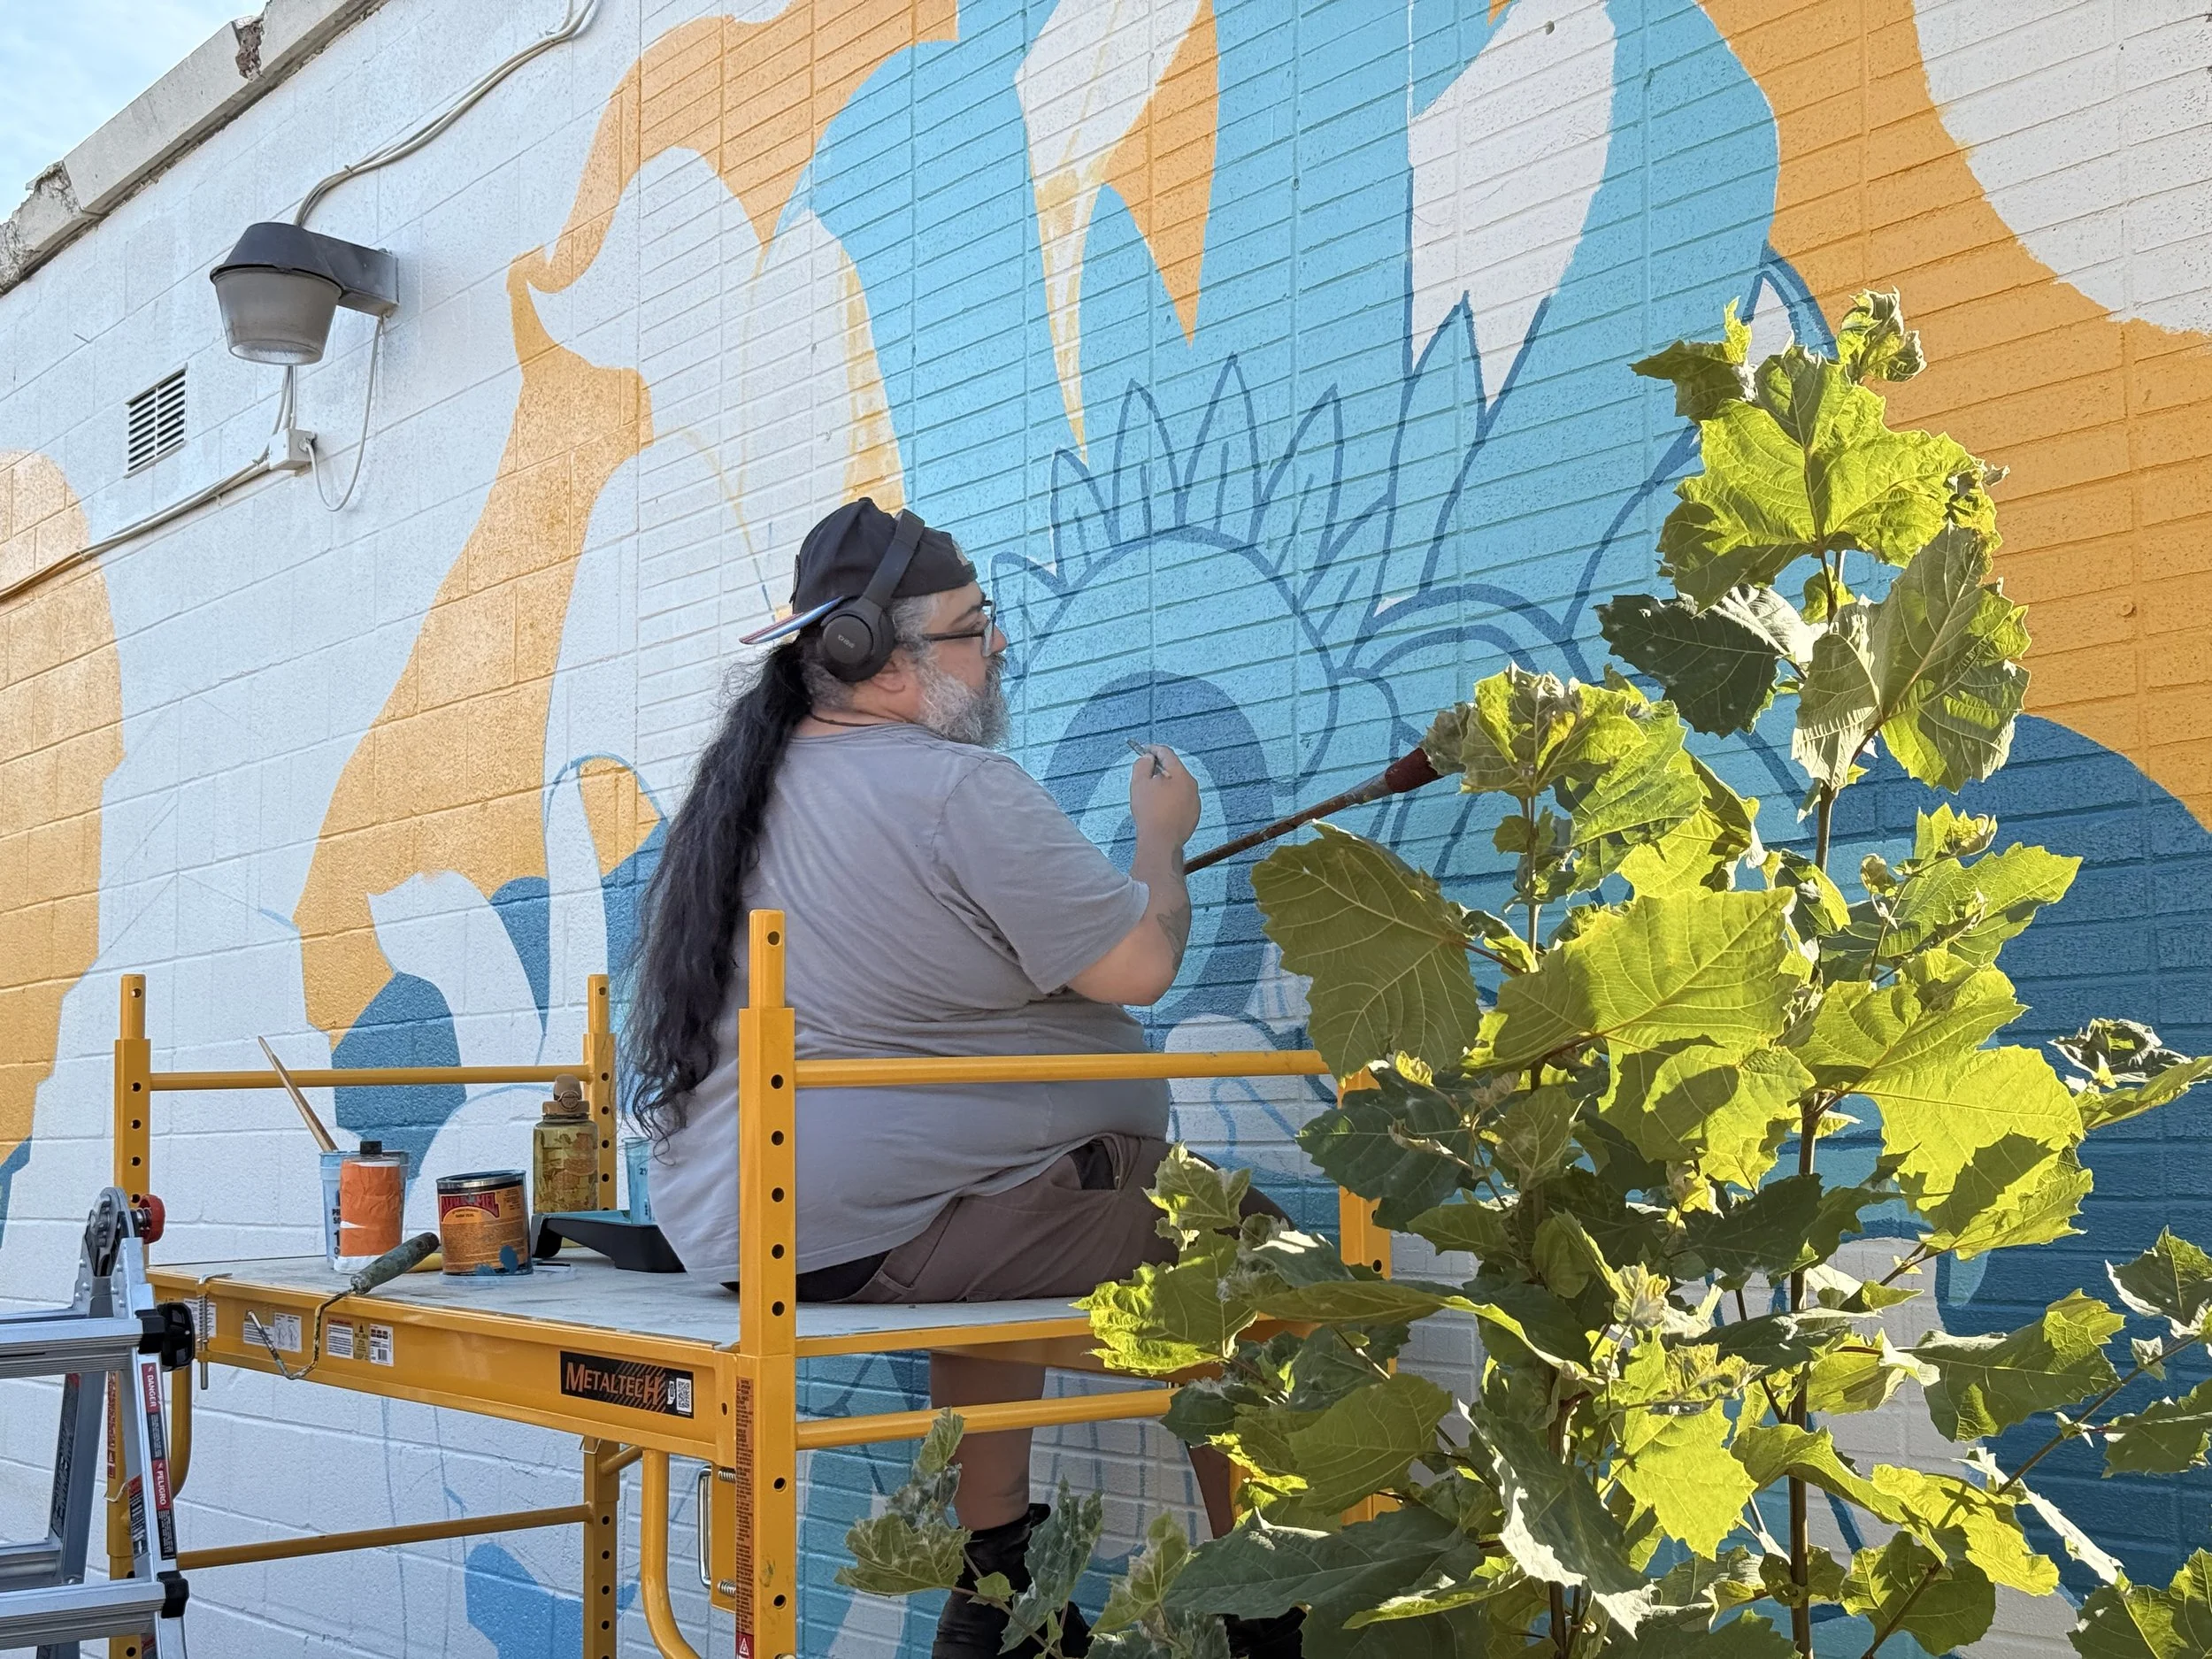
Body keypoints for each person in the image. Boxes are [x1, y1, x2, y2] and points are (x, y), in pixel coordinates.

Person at [626, 500, 1302, 1659]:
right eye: (972, 627)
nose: (996, 650)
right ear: (873, 656)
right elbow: (1140, 960)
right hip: (874, 1220)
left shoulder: (748, 792)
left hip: (772, 1226)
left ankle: (1003, 1590)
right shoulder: (955, 790)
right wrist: (1161, 839)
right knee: (1259, 1259)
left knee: (1009, 1210)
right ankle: (1263, 1602)